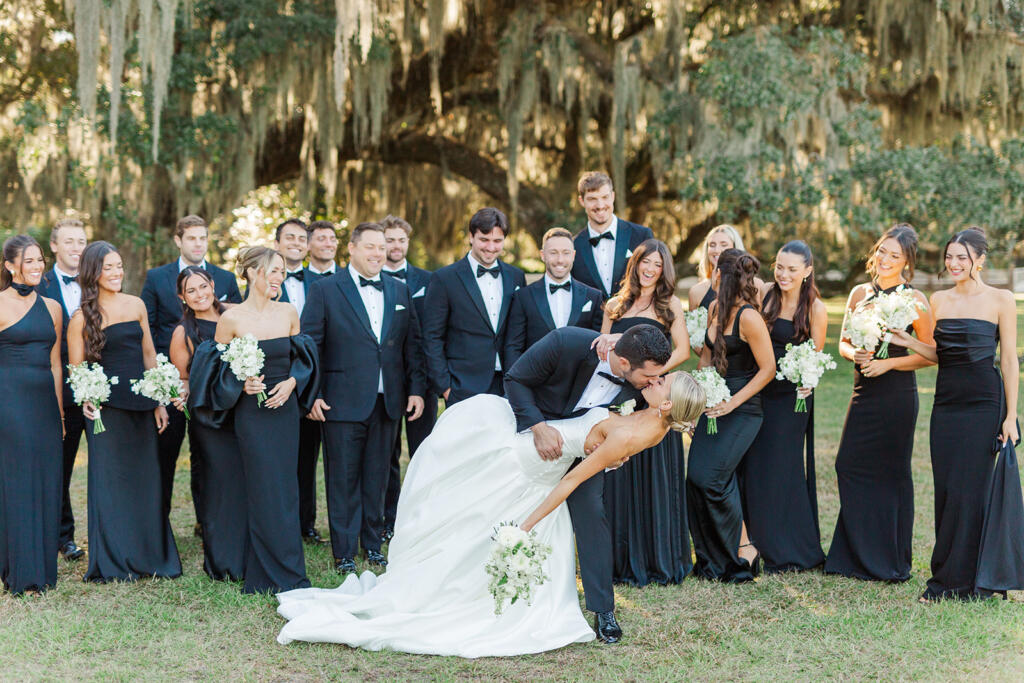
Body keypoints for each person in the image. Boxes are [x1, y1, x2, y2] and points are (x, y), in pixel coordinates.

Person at [276, 370, 705, 657]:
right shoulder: (651, 422)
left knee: (470, 516)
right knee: (463, 506)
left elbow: (572, 481)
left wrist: (527, 525)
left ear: (667, 406)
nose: (655, 379)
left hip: (534, 469)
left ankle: (442, 590)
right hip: (532, 450)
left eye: (663, 383)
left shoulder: (634, 433)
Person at [504, 324, 673, 643]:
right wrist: (538, 427)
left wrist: (617, 456)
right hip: (534, 434)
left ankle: (603, 608)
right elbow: (515, 379)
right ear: (624, 362)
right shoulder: (566, 342)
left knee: (592, 513)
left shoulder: (642, 385)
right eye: (648, 377)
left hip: (585, 450)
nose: (653, 382)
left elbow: (634, 427)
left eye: (656, 378)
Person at [887, 228, 1022, 601]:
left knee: (971, 491)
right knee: (946, 490)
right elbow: (941, 354)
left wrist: (1010, 415)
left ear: (980, 260)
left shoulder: (1001, 299)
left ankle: (970, 580)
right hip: (946, 405)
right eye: (949, 256)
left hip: (984, 404)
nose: (954, 263)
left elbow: (1008, 361)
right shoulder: (939, 300)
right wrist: (910, 342)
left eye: (962, 257)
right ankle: (947, 575)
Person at [189, 246, 318, 594]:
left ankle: (290, 568)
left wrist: (292, 383)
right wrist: (240, 384)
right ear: (252, 273)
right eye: (274, 270)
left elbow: (303, 359)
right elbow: (213, 371)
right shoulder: (231, 320)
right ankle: (260, 570)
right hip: (251, 416)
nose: (280, 277)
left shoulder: (289, 312)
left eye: (282, 272)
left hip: (285, 414)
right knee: (260, 488)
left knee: (285, 489)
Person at [302, 222, 426, 574]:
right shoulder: (326, 290)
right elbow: (311, 346)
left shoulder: (399, 290)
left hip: (388, 402)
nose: (377, 253)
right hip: (340, 402)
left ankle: (372, 545)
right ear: (352, 249)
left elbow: (412, 346)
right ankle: (343, 551)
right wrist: (313, 394)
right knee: (342, 478)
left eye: (382, 247)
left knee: (377, 478)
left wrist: (416, 390)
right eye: (370, 246)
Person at [825, 224, 935, 582]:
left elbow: (931, 354)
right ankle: (855, 555)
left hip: (897, 395)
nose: (885, 259)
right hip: (863, 392)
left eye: (895, 255)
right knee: (847, 465)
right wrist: (852, 354)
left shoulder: (915, 299)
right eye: (882, 251)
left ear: (907, 262)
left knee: (892, 473)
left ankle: (890, 560)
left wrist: (889, 364)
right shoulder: (859, 293)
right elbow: (843, 342)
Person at [68, 241, 182, 583]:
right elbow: (77, 369)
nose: (117, 272)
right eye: (109, 267)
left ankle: (150, 556)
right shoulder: (81, 318)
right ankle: (114, 560)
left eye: (119, 265)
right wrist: (87, 398)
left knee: (146, 480)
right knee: (111, 484)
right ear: (93, 273)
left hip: (141, 405)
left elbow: (149, 355)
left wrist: (159, 400)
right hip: (107, 412)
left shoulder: (136, 305)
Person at [140, 215, 242, 531]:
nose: (198, 243)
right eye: (191, 238)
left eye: (203, 237)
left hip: (217, 389)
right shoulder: (156, 277)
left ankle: (205, 520)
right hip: (173, 382)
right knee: (166, 455)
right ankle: (159, 523)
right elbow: (147, 330)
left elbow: (242, 331)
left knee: (207, 454)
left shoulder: (225, 278)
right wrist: (167, 381)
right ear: (179, 240)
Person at [600, 239, 692, 585]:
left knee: (655, 476)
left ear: (664, 270)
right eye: (645, 262)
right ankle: (621, 560)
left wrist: (651, 375)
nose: (650, 269)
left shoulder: (669, 305)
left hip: (653, 399)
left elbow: (683, 350)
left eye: (657, 264)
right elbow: (603, 348)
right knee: (619, 477)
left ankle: (658, 559)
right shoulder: (615, 305)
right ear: (635, 264)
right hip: (619, 397)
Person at [687, 248, 776, 582]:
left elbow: (768, 369)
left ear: (721, 276)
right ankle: (710, 557)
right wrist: (694, 405)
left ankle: (744, 549)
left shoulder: (749, 317)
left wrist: (732, 403)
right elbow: (705, 360)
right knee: (696, 478)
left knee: (713, 479)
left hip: (743, 409)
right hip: (713, 404)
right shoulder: (714, 308)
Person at [741, 241, 828, 573]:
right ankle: (755, 540)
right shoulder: (765, 294)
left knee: (782, 468)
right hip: (760, 389)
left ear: (807, 271)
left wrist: (809, 380)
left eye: (792, 269)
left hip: (792, 399)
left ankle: (787, 545)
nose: (783, 274)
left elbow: (815, 358)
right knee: (755, 465)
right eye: (779, 266)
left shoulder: (816, 308)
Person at [168, 266, 246, 581]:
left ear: (213, 285)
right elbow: (183, 379)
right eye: (191, 291)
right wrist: (180, 394)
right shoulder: (182, 332)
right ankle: (221, 559)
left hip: (241, 411)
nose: (199, 294)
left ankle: (248, 550)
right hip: (209, 420)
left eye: (203, 286)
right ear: (182, 297)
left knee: (243, 481)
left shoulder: (236, 313)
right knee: (217, 484)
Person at [0, 235, 64, 594]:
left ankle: (42, 568)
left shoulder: (52, 307)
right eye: (29, 260)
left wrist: (59, 413)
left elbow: (55, 364)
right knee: (20, 482)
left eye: (40, 259)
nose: (38, 266)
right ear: (11, 266)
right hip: (9, 402)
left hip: (44, 406)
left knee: (46, 480)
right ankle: (21, 573)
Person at [422, 207, 525, 405]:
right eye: (484, 240)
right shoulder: (444, 278)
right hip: (463, 385)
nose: (491, 247)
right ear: (471, 237)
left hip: (508, 383)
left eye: (497, 241)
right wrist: (445, 387)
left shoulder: (516, 276)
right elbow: (432, 336)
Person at [36, 217, 88, 561]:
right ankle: (63, 536)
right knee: (61, 466)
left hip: (99, 389)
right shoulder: (38, 285)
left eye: (81, 241)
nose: (76, 248)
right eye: (69, 241)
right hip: (57, 390)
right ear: (54, 246)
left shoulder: (99, 280)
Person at [379, 214, 434, 541]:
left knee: (424, 451)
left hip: (421, 380)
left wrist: (425, 382)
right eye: (390, 240)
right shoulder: (369, 280)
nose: (396, 246)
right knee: (386, 455)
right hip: (384, 381)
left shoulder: (428, 280)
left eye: (401, 240)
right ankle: (389, 518)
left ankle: (422, 517)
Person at [503, 227, 603, 369]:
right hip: (536, 378)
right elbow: (513, 347)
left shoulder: (593, 296)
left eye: (566, 253)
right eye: (553, 253)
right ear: (543, 255)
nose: (560, 260)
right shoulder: (523, 297)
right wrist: (515, 379)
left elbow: (598, 344)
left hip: (580, 379)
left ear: (573, 255)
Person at [296, 220, 339, 546]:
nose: (328, 243)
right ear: (309, 245)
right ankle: (304, 522)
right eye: (320, 238)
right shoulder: (291, 280)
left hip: (343, 382)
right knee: (304, 458)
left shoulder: (346, 280)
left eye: (332, 238)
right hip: (301, 383)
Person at [569, 172, 653, 300]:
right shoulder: (574, 246)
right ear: (581, 201)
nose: (600, 205)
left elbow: (656, 281)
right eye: (592, 199)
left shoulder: (642, 236)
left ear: (613, 196)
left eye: (605, 197)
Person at [687, 224, 746, 313]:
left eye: (724, 245)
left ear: (735, 247)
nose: (717, 250)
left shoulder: (753, 286)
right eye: (712, 245)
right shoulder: (696, 292)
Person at [274, 219, 312, 315]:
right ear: (276, 244)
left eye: (302, 240)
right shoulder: (261, 281)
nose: (296, 243)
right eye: (290, 238)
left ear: (308, 246)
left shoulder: (321, 282)